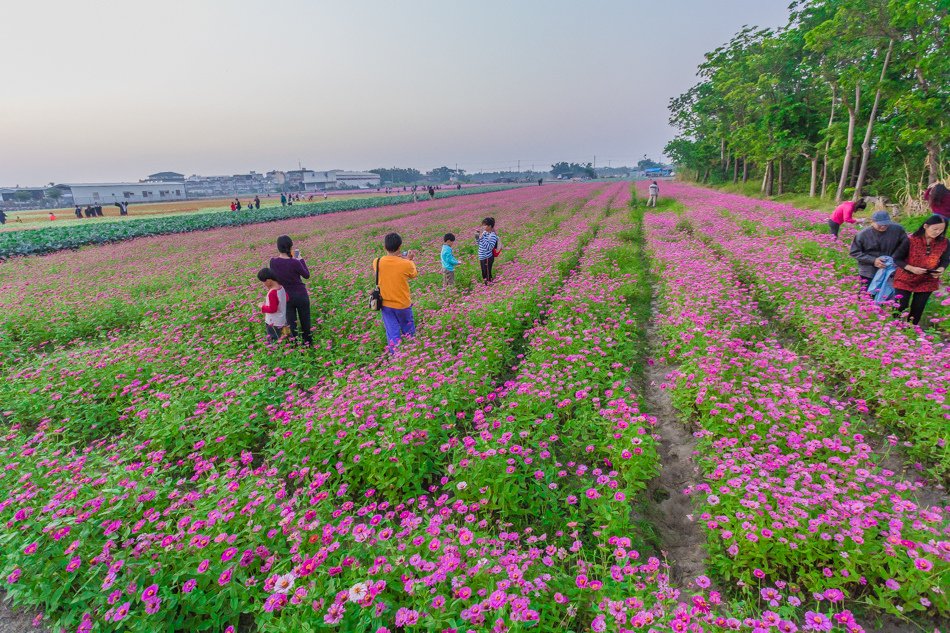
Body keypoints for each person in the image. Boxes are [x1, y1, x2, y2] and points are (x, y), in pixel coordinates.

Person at [892, 215, 949, 326]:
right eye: (935, 229)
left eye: (941, 230)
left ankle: (910, 330)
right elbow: (897, 258)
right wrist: (911, 268)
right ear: (925, 226)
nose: (938, 232)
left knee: (917, 308)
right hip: (905, 278)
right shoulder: (910, 240)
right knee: (900, 305)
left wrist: (941, 269)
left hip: (928, 280)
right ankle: (895, 329)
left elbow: (945, 259)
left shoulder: (945, 242)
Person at [375, 232, 418, 348]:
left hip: (385, 304)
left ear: (384, 247)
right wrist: (409, 260)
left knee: (392, 333)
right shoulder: (406, 264)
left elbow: (389, 265)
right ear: (400, 246)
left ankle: (396, 357)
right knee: (408, 330)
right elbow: (413, 274)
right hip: (402, 304)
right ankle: (412, 352)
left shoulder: (377, 262)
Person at [849, 210, 909, 292]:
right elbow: (854, 252)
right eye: (880, 224)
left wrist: (895, 258)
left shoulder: (898, 229)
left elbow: (905, 245)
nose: (883, 226)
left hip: (891, 267)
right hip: (868, 269)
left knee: (888, 294)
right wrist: (873, 260)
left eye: (886, 224)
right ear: (872, 222)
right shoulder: (863, 234)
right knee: (866, 294)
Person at [269, 235, 312, 346]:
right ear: (290, 247)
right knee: (305, 322)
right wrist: (300, 259)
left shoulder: (273, 262)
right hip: (301, 295)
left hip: (285, 297)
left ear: (278, 247)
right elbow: (306, 275)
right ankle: (308, 345)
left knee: (291, 324)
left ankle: (296, 346)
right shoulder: (295, 262)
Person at [257, 268, 289, 342]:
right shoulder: (281, 288)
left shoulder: (272, 292)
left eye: (263, 282)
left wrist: (262, 306)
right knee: (287, 339)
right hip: (283, 320)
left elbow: (273, 309)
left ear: (268, 281)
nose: (263, 284)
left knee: (274, 341)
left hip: (273, 323)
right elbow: (286, 298)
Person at [476, 217, 500, 285]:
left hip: (487, 257)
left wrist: (482, 238)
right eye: (483, 225)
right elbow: (479, 243)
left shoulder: (492, 236)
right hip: (482, 256)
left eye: (485, 225)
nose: (483, 226)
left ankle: (489, 286)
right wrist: (477, 237)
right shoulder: (484, 233)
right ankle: (488, 285)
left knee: (487, 273)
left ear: (490, 226)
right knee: (484, 273)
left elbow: (489, 247)